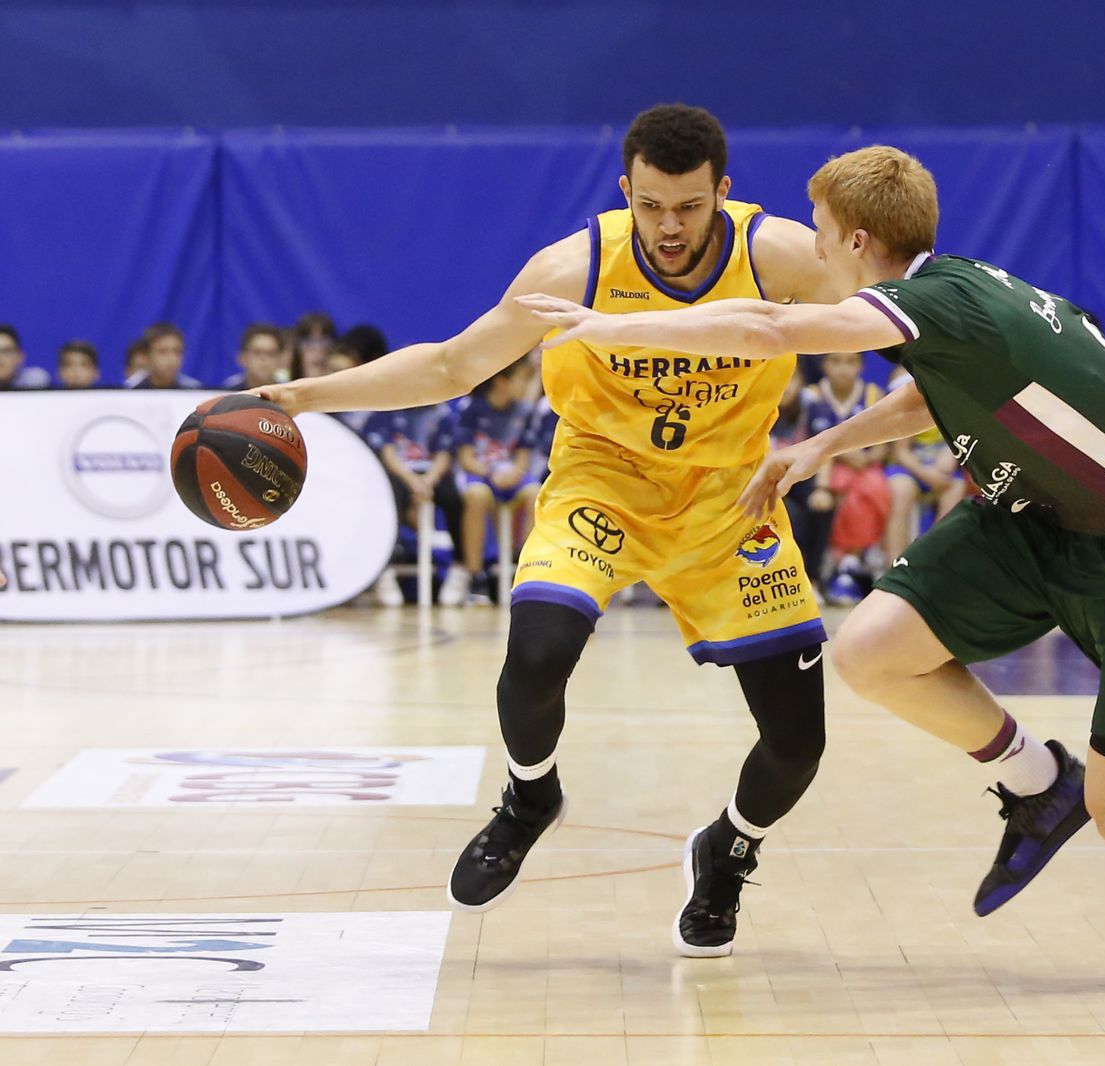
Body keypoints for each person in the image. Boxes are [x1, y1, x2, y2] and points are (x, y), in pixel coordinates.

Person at [517, 144, 1105, 981]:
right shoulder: (954, 294)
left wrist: (610, 326)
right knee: (871, 651)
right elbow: (932, 394)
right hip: (1033, 519)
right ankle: (1040, 785)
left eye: (820, 233)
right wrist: (822, 444)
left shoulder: (934, 301)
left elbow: (768, 327)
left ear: (857, 242)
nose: (811, 250)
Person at [253, 104, 836, 958]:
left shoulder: (776, 255)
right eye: (650, 206)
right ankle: (530, 798)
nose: (669, 227)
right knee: (533, 657)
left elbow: (902, 314)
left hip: (728, 503)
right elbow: (453, 365)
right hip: (601, 487)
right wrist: (306, 397)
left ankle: (728, 850)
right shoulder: (576, 268)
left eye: (689, 207)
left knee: (798, 743)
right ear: (625, 192)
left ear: (724, 192)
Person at [452, 357, 545, 604]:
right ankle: (475, 575)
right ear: (502, 381)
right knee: (476, 496)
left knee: (536, 493)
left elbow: (523, 456)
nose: (526, 385)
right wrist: (490, 472)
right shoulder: (473, 408)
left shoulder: (524, 412)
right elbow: (466, 458)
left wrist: (514, 472)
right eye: (522, 379)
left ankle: (527, 567)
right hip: (481, 473)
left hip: (511, 475)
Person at [796, 351, 888, 600]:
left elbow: (883, 444)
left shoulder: (872, 394)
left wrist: (867, 458)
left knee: (873, 486)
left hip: (865, 467)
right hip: (825, 466)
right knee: (834, 484)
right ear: (824, 364)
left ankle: (851, 560)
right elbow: (804, 440)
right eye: (835, 362)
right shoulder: (812, 395)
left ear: (861, 365)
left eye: (850, 362)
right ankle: (839, 561)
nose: (842, 369)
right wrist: (843, 452)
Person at [363, 400, 468, 606]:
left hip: (430, 474)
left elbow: (443, 455)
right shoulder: (387, 410)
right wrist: (412, 481)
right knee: (389, 497)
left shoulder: (442, 413)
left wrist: (428, 480)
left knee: (453, 497)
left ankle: (460, 566)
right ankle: (385, 568)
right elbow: (388, 454)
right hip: (400, 473)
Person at [882, 364, 968, 565]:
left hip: (939, 471)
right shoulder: (903, 385)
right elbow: (900, 452)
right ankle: (893, 568)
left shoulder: (953, 393)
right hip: (908, 467)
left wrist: (952, 452)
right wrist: (927, 475)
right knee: (901, 492)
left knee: (956, 489)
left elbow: (963, 434)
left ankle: (930, 565)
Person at [126, 323, 201, 389]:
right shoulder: (130, 390)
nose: (172, 359)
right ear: (147, 356)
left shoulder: (194, 390)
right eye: (162, 352)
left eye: (178, 352)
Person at [222, 323, 288, 390]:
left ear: (281, 359)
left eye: (271, 353)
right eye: (257, 353)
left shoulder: (287, 393)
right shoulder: (227, 393)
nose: (264, 359)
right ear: (243, 358)